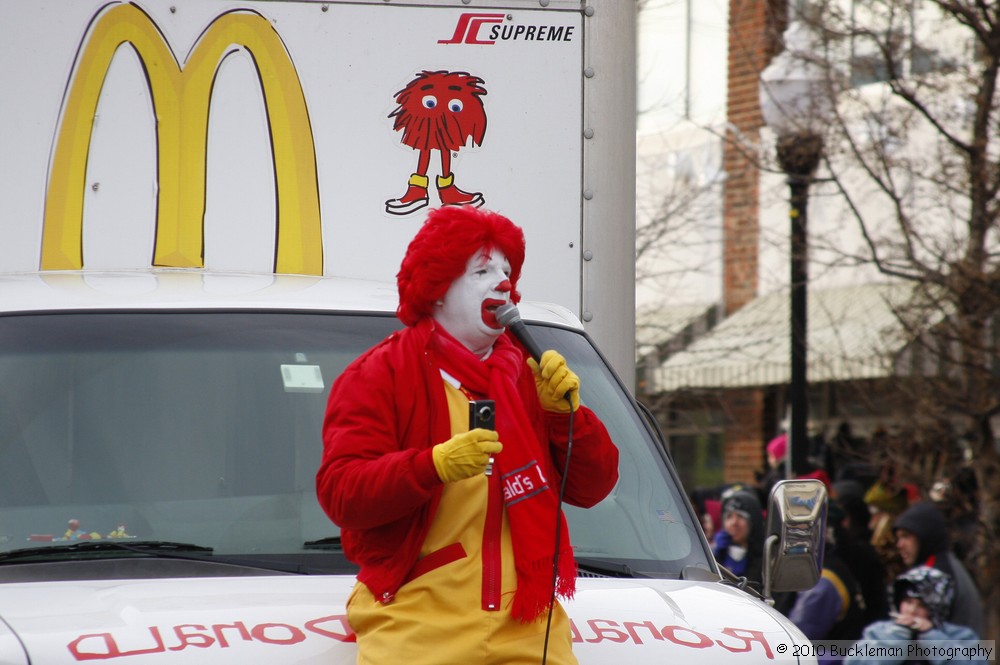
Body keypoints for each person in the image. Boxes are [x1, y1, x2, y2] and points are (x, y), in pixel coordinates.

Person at [315, 205, 620, 664]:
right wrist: (431, 466)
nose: (502, 283)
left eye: (506, 270)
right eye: (481, 270)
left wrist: (565, 418)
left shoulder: (529, 375)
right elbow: (342, 493)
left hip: (529, 627)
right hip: (417, 628)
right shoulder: (380, 374)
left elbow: (593, 488)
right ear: (437, 289)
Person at [844, 566, 985, 665]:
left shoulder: (960, 636)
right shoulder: (879, 632)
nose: (911, 611)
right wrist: (896, 638)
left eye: (921, 605)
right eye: (908, 602)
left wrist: (931, 636)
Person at [893, 501, 983, 636]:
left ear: (924, 534)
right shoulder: (944, 563)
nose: (899, 545)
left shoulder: (935, 574)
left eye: (906, 536)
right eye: (898, 538)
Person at [711, 487, 764, 587]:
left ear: (754, 522)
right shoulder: (717, 555)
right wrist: (714, 556)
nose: (734, 523)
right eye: (729, 516)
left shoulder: (767, 559)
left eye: (740, 516)